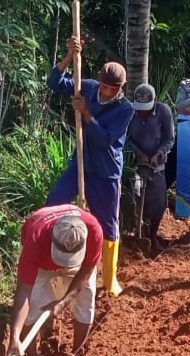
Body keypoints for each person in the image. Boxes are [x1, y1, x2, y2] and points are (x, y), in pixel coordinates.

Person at [45, 35, 134, 298]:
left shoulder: (125, 109)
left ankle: (110, 278)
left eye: (112, 89)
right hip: (81, 162)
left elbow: (106, 140)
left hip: (105, 172)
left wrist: (86, 113)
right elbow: (55, 82)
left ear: (121, 88)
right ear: (98, 81)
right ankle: (53, 263)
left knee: (108, 224)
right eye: (104, 86)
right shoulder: (87, 87)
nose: (106, 92)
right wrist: (69, 56)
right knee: (54, 202)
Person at [5, 203, 103, 356]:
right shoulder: (35, 238)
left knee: (86, 299)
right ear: (52, 239)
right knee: (34, 306)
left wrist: (63, 303)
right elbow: (24, 291)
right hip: (42, 264)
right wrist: (14, 336)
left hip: (77, 267)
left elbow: (85, 272)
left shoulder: (94, 231)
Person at [127, 83, 176, 257]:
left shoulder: (163, 112)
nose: (142, 113)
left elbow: (169, 139)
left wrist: (158, 154)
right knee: (135, 195)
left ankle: (152, 235)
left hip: (156, 164)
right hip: (134, 163)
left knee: (158, 202)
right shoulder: (129, 112)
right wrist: (138, 153)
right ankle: (135, 232)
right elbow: (125, 137)